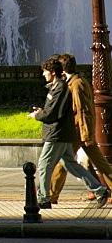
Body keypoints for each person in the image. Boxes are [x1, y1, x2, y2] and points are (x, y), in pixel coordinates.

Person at [30, 57, 108, 209]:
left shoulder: (61, 88)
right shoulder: (59, 86)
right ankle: (100, 190)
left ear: (53, 72)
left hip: (57, 134)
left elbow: (57, 112)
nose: (43, 74)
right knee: (71, 165)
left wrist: (38, 115)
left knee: (44, 164)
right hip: (64, 134)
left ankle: (43, 198)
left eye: (45, 71)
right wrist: (42, 112)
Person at [51, 53, 112, 204]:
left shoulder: (76, 84)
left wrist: (85, 134)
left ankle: (50, 195)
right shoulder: (78, 81)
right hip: (82, 131)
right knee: (100, 163)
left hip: (78, 132)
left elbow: (82, 110)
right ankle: (51, 195)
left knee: (63, 161)